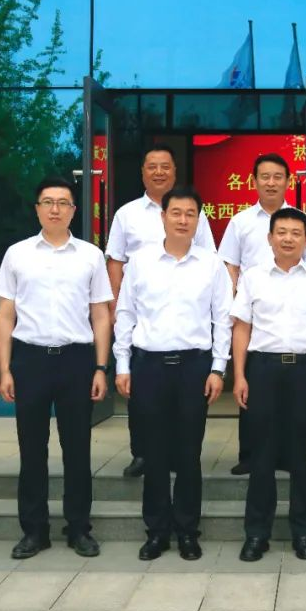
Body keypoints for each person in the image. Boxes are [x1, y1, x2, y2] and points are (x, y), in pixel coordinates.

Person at [0, 176, 113, 559]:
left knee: (77, 449)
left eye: (63, 203)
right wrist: (5, 369)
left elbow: (100, 314)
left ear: (74, 211)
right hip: (29, 359)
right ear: (37, 209)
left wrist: (101, 366)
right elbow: (4, 314)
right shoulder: (17, 254)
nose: (55, 209)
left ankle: (79, 528)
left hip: (76, 361)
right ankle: (34, 531)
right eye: (48, 202)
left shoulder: (90, 256)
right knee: (32, 450)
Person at [113, 187, 232, 562]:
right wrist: (122, 364)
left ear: (198, 220)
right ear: (163, 217)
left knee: (189, 452)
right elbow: (125, 314)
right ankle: (156, 531)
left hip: (194, 367)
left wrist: (218, 368)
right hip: (148, 366)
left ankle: (187, 531)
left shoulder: (211, 264)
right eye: (176, 213)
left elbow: (223, 319)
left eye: (190, 214)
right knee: (154, 453)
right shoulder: (140, 262)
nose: (183, 220)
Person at [232, 208, 306, 562]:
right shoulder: (253, 277)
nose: (288, 238)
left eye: (296, 233)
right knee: (261, 454)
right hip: (263, 369)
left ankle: (303, 533)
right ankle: (256, 534)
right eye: (281, 232)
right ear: (270, 238)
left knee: (301, 455)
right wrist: (239, 375)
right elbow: (242, 328)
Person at [106, 144, 215, 479]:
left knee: (183, 416)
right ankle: (142, 453)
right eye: (152, 166)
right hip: (143, 309)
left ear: (174, 171)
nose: (158, 172)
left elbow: (208, 258)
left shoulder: (195, 215)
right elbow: (116, 262)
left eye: (165, 166)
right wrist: (117, 307)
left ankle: (175, 458)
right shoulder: (126, 214)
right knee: (141, 399)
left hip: (185, 310)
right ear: (142, 172)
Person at [218, 153, 306, 476]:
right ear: (254, 181)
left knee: (294, 400)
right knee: (253, 390)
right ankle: (250, 455)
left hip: (293, 311)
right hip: (255, 310)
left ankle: (289, 456)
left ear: (288, 182)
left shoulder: (302, 219)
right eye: (265, 176)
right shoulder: (241, 222)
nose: (271, 182)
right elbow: (230, 267)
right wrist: (235, 307)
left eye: (278, 177)